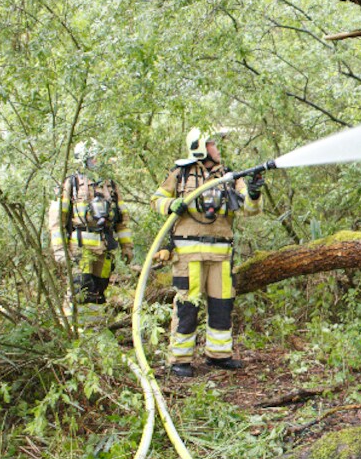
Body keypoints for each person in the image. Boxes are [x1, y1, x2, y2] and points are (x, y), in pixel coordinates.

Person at [150, 128, 264, 377]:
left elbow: (250, 209)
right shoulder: (180, 173)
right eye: (214, 143)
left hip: (221, 253)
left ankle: (219, 355)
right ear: (201, 147)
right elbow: (156, 199)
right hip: (188, 251)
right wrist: (171, 204)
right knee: (187, 305)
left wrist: (254, 193)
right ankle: (179, 360)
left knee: (222, 304)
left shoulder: (230, 176)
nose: (219, 148)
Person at [48, 140, 133, 328]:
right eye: (93, 157)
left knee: (98, 291)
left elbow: (122, 220)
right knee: (79, 289)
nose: (97, 161)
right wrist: (60, 250)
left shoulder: (110, 186)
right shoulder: (72, 184)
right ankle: (73, 331)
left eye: (99, 157)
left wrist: (127, 247)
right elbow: (56, 221)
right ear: (83, 159)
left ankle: (95, 332)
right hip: (80, 249)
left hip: (104, 249)